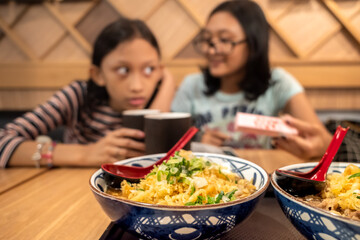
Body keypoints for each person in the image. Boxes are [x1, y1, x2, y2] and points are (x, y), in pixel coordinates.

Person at [0, 18, 175, 168]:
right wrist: (86, 154)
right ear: (98, 74)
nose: (137, 86)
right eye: (123, 70)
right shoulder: (78, 96)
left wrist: (168, 85)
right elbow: (2, 141)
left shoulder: (158, 100)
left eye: (149, 69)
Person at [171, 0, 328, 157]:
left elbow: (325, 142)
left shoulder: (277, 82)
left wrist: (313, 148)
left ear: (254, 43)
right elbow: (168, 143)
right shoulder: (192, 85)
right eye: (208, 40)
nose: (211, 50)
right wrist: (198, 140)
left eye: (224, 40)